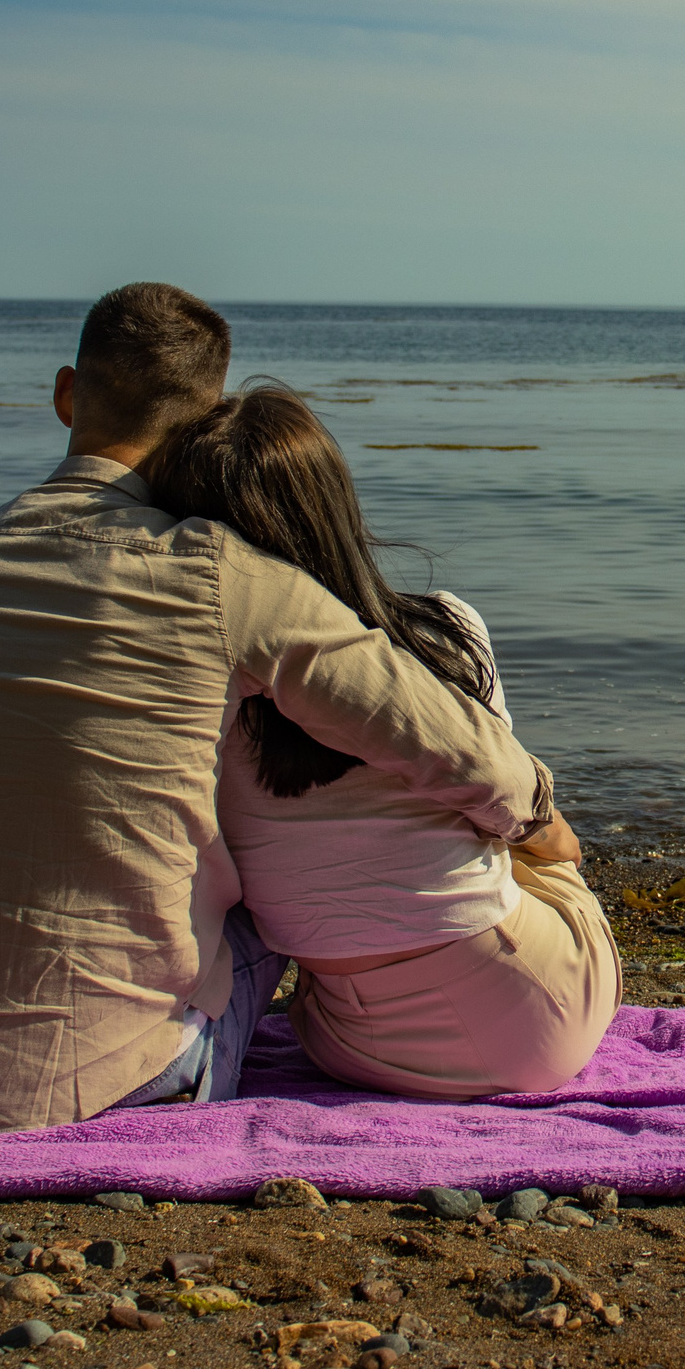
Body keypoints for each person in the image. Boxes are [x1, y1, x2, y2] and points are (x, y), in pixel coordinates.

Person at [0, 283, 565, 1135]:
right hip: (137, 1075)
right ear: (208, 425)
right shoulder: (218, 572)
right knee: (260, 835)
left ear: (68, 394)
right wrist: (541, 820)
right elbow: (450, 738)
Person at [154, 384, 622, 1100]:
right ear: (331, 507)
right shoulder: (445, 631)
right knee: (531, 855)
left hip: (351, 1045)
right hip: (539, 1022)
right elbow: (522, 819)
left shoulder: (200, 697)